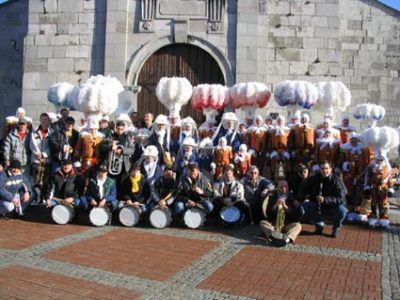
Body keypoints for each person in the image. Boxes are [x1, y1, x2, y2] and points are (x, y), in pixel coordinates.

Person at [298, 160, 347, 238]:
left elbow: (341, 198)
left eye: (327, 168)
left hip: (332, 206)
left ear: (331, 169)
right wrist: (299, 199)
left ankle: (336, 228)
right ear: (320, 169)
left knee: (342, 210)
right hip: (317, 205)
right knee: (302, 207)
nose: (325, 171)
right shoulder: (315, 178)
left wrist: (326, 200)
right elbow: (304, 189)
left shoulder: (336, 180)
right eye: (322, 169)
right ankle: (319, 224)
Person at [259, 180, 304, 246]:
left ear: (288, 187)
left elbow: (297, 215)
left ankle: (286, 239)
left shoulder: (293, 197)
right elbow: (268, 215)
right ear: (278, 187)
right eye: (281, 187)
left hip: (287, 223)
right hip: (275, 223)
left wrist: (286, 207)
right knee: (262, 223)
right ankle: (275, 237)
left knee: (298, 226)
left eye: (285, 186)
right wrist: (275, 205)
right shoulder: (272, 197)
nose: (284, 188)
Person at [30, 113, 53, 203]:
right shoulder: (34, 132)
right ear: (40, 120)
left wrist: (44, 154)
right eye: (42, 119)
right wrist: (38, 154)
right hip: (36, 160)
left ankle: (43, 199)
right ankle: (36, 198)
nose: (44, 121)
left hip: (47, 161)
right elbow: (32, 144)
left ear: (49, 121)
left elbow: (52, 147)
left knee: (45, 181)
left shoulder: (52, 133)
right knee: (35, 180)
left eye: (46, 119)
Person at [363, 155, 392, 228]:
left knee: (383, 204)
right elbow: (367, 177)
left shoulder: (387, 167)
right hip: (373, 188)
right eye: (378, 160)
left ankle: (383, 220)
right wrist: (366, 187)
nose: (380, 162)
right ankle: (372, 219)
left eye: (381, 160)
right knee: (373, 203)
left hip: (383, 189)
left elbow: (389, 178)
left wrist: (390, 189)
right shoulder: (371, 167)